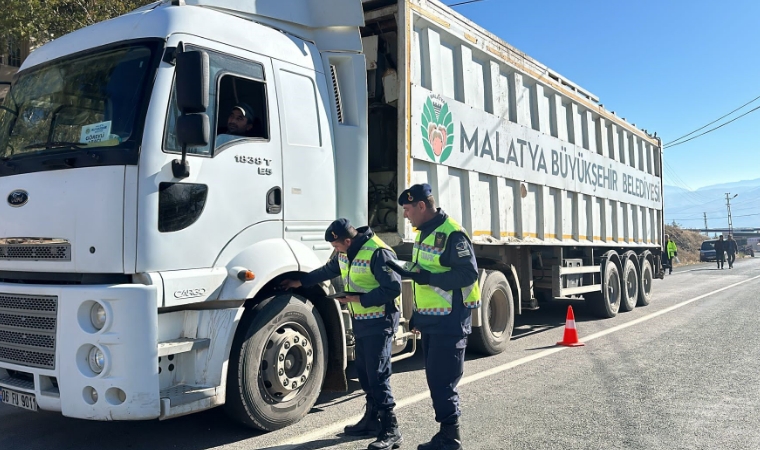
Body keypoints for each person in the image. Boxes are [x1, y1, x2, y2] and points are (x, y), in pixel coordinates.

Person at [280, 219, 403, 450]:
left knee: (378, 374)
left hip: (380, 321)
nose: (334, 250)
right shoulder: (346, 252)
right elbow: (328, 270)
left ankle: (391, 429)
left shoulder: (379, 252)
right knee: (365, 373)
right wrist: (300, 281)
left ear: (348, 240)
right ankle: (371, 421)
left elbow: (392, 289)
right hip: (362, 320)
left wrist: (358, 298)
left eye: (336, 245)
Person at [394, 183, 480, 450]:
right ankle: (447, 434)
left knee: (443, 381)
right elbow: (424, 275)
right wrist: (418, 315)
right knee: (436, 379)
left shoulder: (452, 233)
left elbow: (468, 274)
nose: (405, 215)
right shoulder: (424, 232)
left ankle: (451, 438)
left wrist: (427, 277)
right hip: (433, 320)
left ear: (422, 206)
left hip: (450, 321)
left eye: (408, 209)